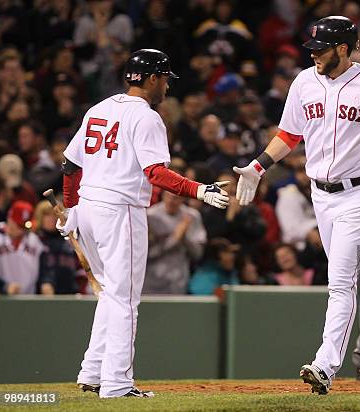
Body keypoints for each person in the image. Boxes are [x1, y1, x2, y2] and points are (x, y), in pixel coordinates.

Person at [234, 16, 360, 395]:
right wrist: (258, 167)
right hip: (320, 195)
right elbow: (290, 134)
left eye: (321, 49)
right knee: (350, 273)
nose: (315, 56)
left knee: (339, 281)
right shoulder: (305, 80)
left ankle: (325, 365)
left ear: (343, 48)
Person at [57, 49, 229, 398]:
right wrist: (199, 189)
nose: (166, 85)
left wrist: (73, 207)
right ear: (152, 78)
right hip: (120, 210)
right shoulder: (147, 117)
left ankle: (92, 372)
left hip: (89, 206)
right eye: (164, 78)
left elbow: (69, 165)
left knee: (109, 293)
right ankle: (117, 383)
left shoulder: (99, 108)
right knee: (124, 299)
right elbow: (155, 173)